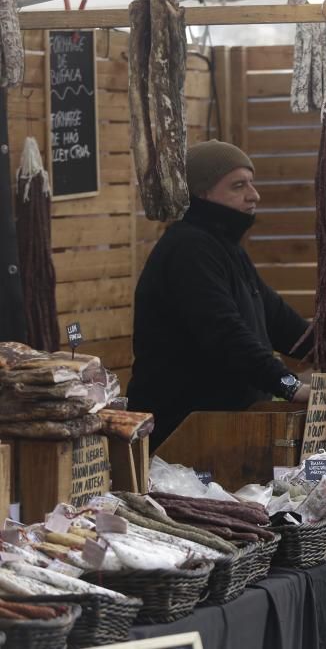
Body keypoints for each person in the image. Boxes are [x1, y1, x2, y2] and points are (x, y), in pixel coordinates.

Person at [129, 140, 314, 451]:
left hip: (226, 425)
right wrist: (289, 385)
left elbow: (278, 319)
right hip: (183, 432)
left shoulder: (226, 248)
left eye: (251, 184)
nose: (254, 195)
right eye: (238, 186)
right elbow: (225, 333)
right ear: (203, 193)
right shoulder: (189, 250)